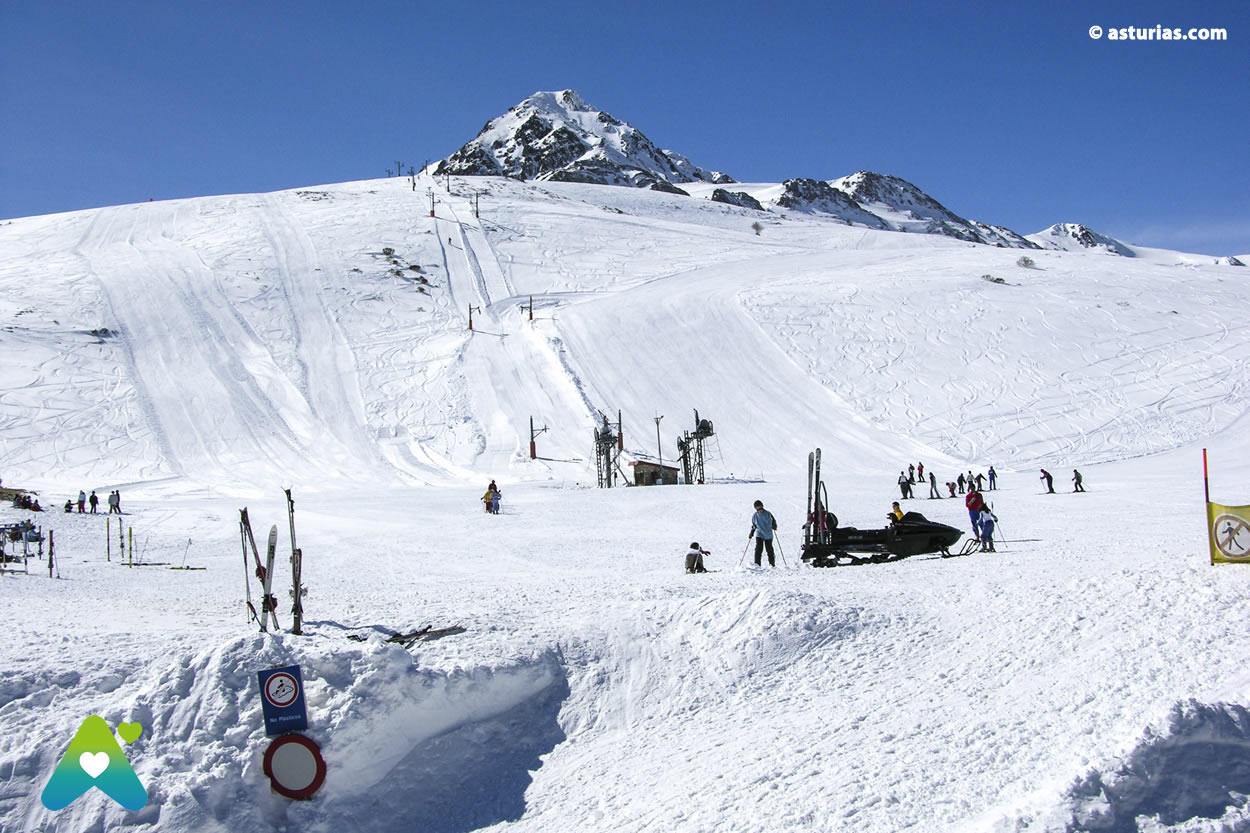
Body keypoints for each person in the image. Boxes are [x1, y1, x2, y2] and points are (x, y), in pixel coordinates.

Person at [748, 500, 777, 567]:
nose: (760, 510)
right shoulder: (755, 516)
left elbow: (773, 521)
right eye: (758, 509)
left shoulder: (768, 514)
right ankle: (757, 565)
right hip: (759, 534)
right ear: (756, 509)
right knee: (758, 549)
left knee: (769, 550)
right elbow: (754, 525)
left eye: (761, 508)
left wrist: (774, 526)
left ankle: (772, 564)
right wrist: (752, 532)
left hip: (768, 534)